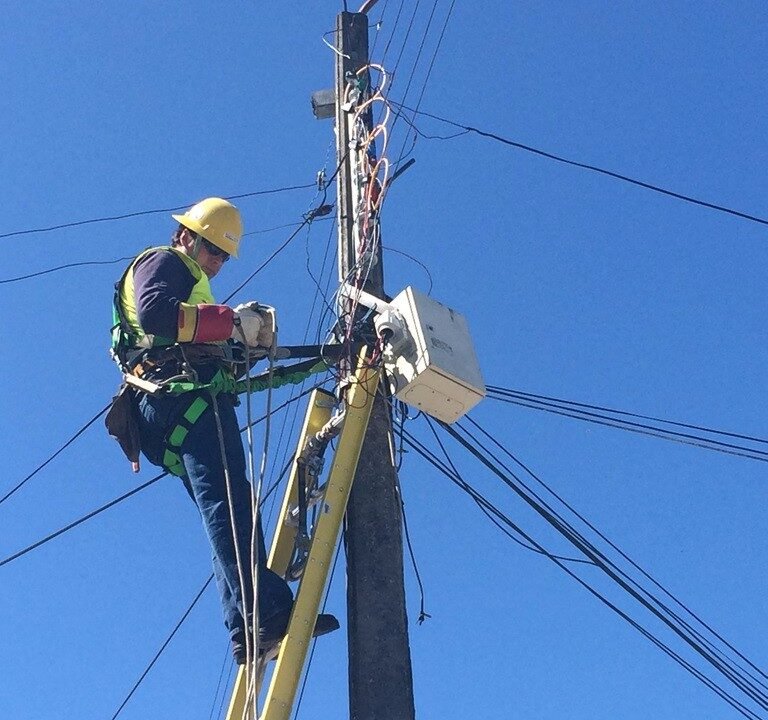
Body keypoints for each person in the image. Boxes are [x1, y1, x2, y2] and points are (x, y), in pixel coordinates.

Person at [109, 197, 338, 664]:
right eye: (210, 248)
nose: (215, 261)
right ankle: (268, 612)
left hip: (167, 407)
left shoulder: (193, 292)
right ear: (185, 236)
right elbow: (156, 314)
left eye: (222, 256)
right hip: (182, 400)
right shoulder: (164, 261)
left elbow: (200, 344)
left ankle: (244, 630)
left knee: (222, 509)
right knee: (229, 504)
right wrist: (230, 322)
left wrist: (286, 352)